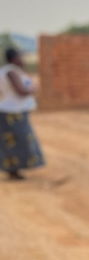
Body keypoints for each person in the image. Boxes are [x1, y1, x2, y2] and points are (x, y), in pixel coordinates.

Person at [0, 48, 45, 180]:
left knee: (13, 142)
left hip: (12, 111)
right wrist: (33, 88)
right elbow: (21, 91)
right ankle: (13, 171)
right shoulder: (11, 72)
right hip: (13, 114)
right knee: (19, 141)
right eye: (20, 57)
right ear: (14, 58)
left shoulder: (9, 71)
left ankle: (13, 170)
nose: (22, 60)